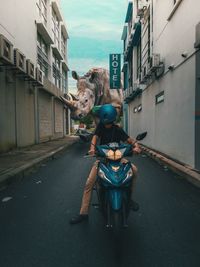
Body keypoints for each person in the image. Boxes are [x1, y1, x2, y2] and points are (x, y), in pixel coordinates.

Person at [70, 104, 141, 224]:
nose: (107, 123)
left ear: (112, 119)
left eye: (108, 121)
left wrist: (136, 146)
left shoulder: (118, 129)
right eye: (105, 121)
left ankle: (129, 199)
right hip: (103, 159)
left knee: (134, 170)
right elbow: (94, 138)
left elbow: (129, 140)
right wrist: (92, 148)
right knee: (89, 183)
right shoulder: (100, 127)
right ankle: (83, 213)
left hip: (119, 158)